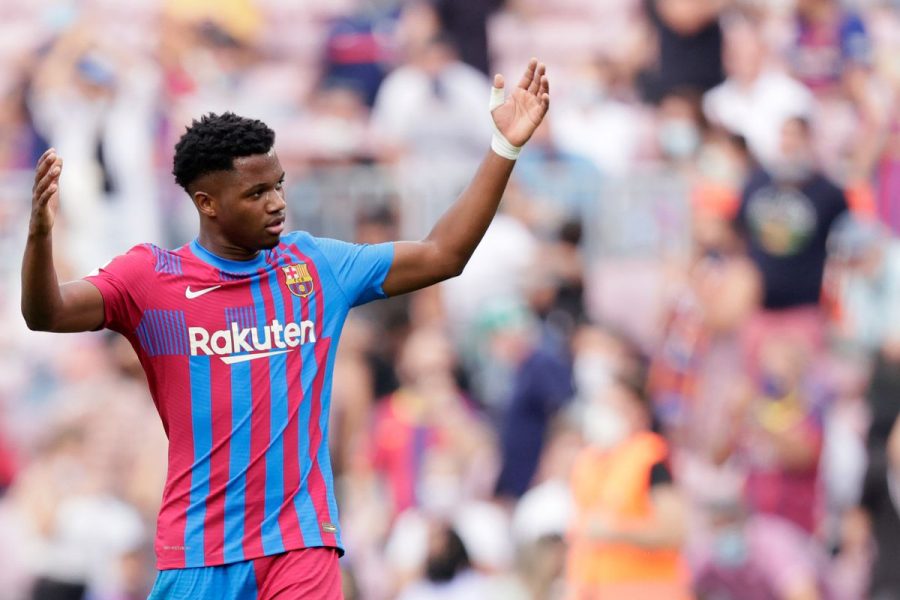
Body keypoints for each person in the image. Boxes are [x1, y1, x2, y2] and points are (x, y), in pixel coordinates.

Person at [21, 59, 550, 599]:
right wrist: (39, 237)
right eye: (256, 194)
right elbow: (47, 314)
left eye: (278, 185)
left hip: (298, 545)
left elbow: (444, 254)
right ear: (207, 203)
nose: (277, 203)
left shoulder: (315, 267)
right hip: (200, 551)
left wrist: (503, 147)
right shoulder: (150, 278)